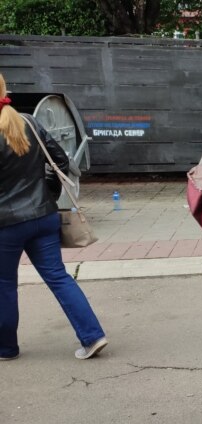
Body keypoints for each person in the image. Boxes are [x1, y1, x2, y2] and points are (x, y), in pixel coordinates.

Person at [0, 73, 107, 361]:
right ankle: (93, 336)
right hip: (44, 216)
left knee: (4, 285)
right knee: (59, 277)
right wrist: (46, 194)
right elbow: (61, 160)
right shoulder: (29, 122)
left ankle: (6, 348)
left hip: (5, 227)